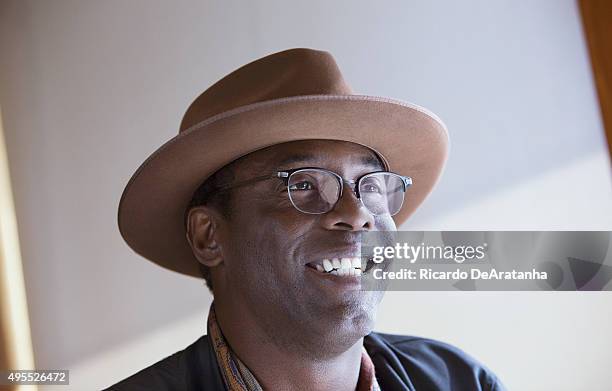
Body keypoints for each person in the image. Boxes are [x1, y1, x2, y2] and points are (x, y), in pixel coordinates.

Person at [107, 48, 506, 390]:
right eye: (302, 185)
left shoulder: (462, 381)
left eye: (371, 186)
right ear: (209, 236)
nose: (356, 215)